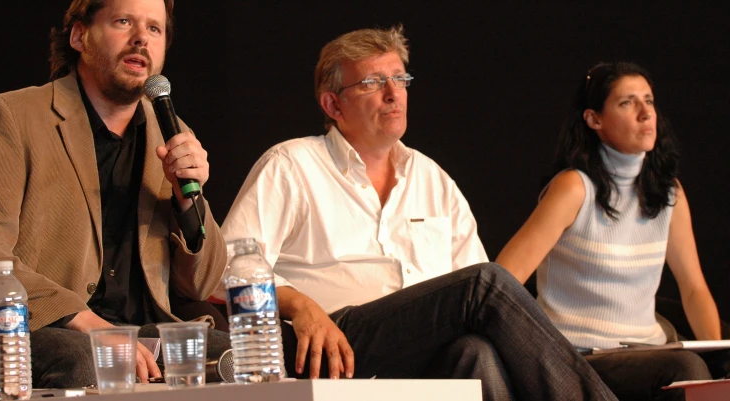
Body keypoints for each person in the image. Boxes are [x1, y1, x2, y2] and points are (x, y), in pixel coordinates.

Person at [221, 26, 617, 401]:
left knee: (476, 352)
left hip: (422, 350)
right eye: (373, 83)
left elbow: (482, 305)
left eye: (400, 79)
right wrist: (300, 305)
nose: (393, 94)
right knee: (485, 284)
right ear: (333, 104)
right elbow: (223, 273)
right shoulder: (292, 164)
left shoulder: (432, 179)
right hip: (336, 339)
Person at [0, 0, 227, 388]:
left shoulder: (173, 135)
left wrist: (189, 199)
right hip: (43, 328)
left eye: (154, 29)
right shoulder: (13, 116)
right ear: (80, 36)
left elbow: (203, 281)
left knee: (232, 356)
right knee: (89, 359)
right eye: (123, 21)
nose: (140, 39)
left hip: (141, 332)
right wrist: (83, 319)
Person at [495, 61, 724, 400]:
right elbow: (503, 280)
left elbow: (693, 288)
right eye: (627, 102)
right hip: (579, 355)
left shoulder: (669, 193)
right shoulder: (574, 189)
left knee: (710, 370)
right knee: (685, 371)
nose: (645, 113)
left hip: (649, 351)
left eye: (649, 100)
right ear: (594, 120)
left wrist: (720, 362)